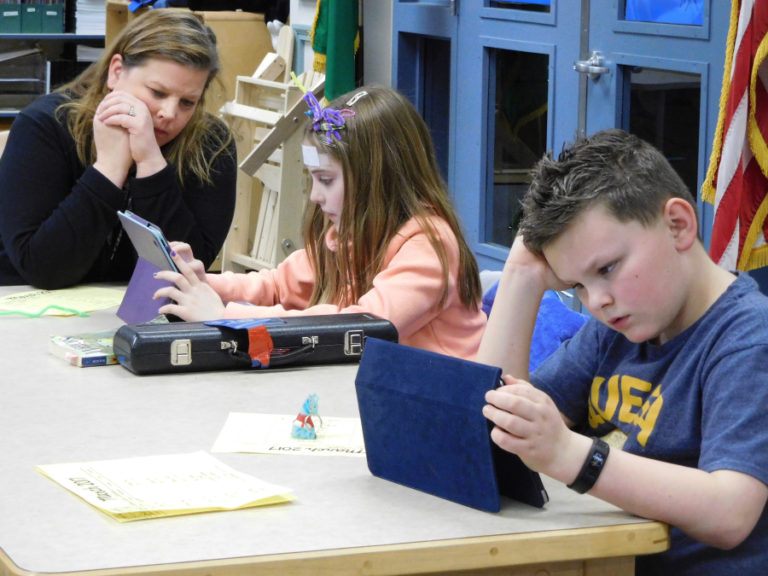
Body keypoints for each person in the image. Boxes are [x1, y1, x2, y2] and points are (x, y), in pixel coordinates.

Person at [479, 129, 768, 575]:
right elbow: (491, 432)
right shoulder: (618, 329)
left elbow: (731, 512)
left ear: (678, 225)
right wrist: (521, 276)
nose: (596, 301)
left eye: (607, 269)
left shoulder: (750, 338)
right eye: (577, 285)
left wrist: (569, 453)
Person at [153, 85, 487, 359]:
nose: (315, 195)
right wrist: (204, 285)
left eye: (325, 180)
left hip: (441, 410)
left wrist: (223, 317)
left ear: (376, 180)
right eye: (312, 179)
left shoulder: (429, 247)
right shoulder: (348, 235)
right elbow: (277, 285)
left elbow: (360, 326)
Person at [0, 9, 237, 289]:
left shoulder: (211, 144)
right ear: (116, 71)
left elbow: (188, 271)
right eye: (158, 93)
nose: (169, 113)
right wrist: (109, 168)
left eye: (188, 102)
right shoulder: (44, 126)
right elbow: (42, 269)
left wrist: (151, 164)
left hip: (139, 318)